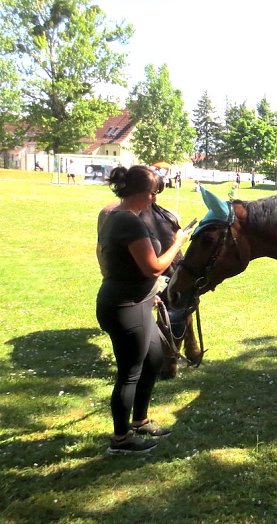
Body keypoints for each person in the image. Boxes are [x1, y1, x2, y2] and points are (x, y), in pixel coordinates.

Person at [96, 165, 190, 454]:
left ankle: (140, 421)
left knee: (154, 358)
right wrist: (178, 242)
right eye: (152, 193)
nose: (153, 200)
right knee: (129, 372)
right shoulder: (130, 223)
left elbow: (130, 267)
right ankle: (121, 439)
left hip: (138, 301)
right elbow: (154, 267)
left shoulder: (119, 217)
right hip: (124, 307)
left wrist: (151, 296)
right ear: (140, 193)